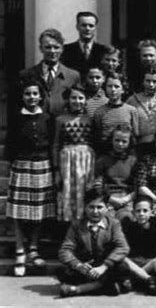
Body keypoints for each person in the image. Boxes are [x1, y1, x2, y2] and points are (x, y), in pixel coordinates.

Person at [5, 80, 56, 277]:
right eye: (27, 94)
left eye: (35, 94)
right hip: (22, 165)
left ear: (41, 96)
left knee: (39, 211)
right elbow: (10, 143)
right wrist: (13, 163)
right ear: (23, 97)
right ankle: (20, 250)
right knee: (18, 211)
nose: (31, 97)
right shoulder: (17, 118)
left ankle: (33, 248)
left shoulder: (47, 118)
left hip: (42, 165)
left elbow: (51, 142)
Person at [57, 187, 130, 297]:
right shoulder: (77, 225)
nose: (95, 212)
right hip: (86, 267)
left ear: (107, 208)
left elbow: (123, 247)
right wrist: (78, 265)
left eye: (99, 207)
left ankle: (78, 289)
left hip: (105, 267)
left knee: (122, 268)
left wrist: (104, 266)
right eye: (91, 207)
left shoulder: (114, 224)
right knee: (62, 271)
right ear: (85, 208)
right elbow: (65, 250)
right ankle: (106, 287)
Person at [53, 85, 95, 222]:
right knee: (68, 192)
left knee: (85, 192)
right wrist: (56, 169)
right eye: (74, 98)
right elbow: (55, 145)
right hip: (67, 161)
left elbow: (95, 143)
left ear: (86, 100)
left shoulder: (90, 119)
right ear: (68, 100)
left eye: (81, 98)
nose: (77, 101)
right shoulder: (60, 120)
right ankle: (69, 227)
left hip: (86, 160)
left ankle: (85, 224)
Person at [18, 28, 80, 116]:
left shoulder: (73, 75)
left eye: (56, 47)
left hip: (62, 124)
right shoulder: (27, 74)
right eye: (48, 47)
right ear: (41, 48)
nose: (52, 51)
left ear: (62, 49)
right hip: (37, 123)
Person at [120, 196, 156, 295]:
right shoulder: (129, 226)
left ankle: (134, 280)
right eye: (138, 211)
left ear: (151, 212)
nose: (141, 214)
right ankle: (147, 280)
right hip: (134, 262)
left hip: (150, 261)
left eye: (145, 211)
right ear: (133, 213)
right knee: (122, 259)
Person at [126, 66, 156, 156]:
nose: (151, 85)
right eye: (148, 81)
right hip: (140, 146)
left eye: (155, 81)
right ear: (143, 82)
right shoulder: (132, 100)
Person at [94, 125, 137, 221]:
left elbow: (138, 185)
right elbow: (97, 185)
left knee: (127, 219)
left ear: (129, 143)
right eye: (117, 140)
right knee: (107, 220)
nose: (120, 144)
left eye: (124, 141)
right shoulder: (103, 160)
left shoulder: (133, 161)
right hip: (108, 198)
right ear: (112, 140)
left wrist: (126, 199)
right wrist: (110, 199)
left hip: (127, 198)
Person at [92, 71, 139, 154]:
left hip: (126, 154)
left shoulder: (131, 110)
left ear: (123, 89)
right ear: (105, 89)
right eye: (110, 86)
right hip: (106, 153)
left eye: (116, 86)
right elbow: (97, 136)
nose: (113, 90)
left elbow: (135, 135)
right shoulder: (99, 112)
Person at [61, 11, 108, 77]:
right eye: (84, 25)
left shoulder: (104, 51)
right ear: (77, 27)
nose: (87, 29)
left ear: (95, 28)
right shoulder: (65, 50)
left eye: (91, 26)